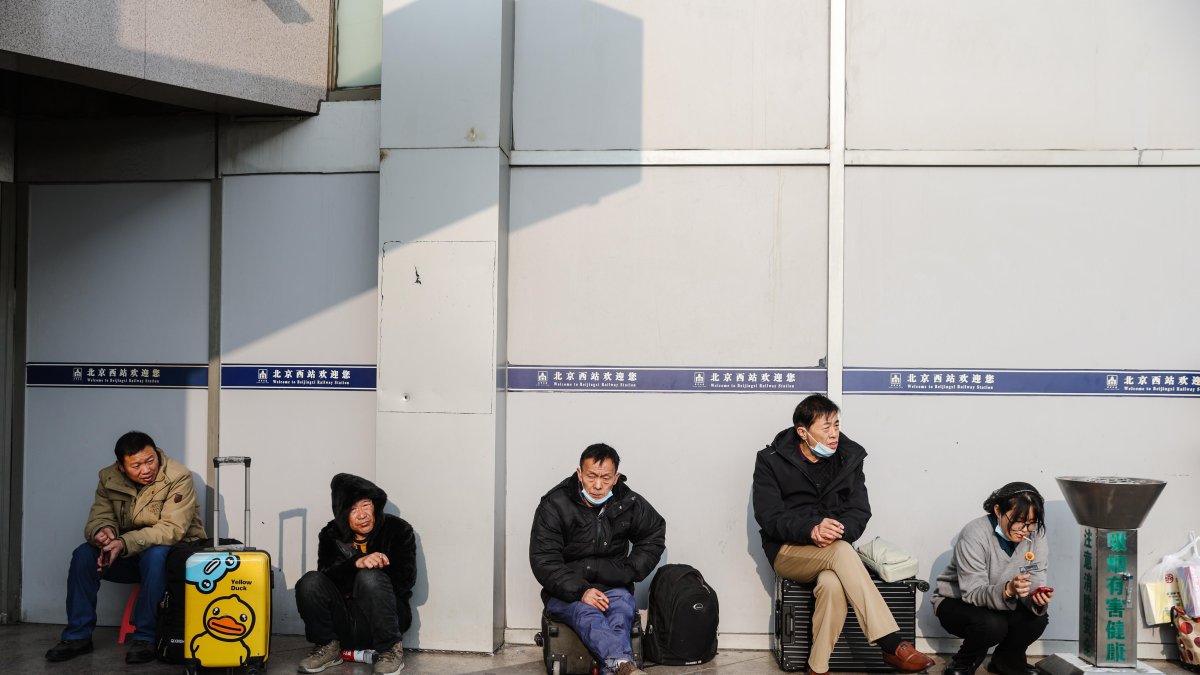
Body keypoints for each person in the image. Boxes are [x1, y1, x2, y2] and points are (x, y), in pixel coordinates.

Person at [753, 394, 935, 675]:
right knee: (841, 552)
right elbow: (768, 515)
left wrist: (840, 530)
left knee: (832, 584)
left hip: (834, 550)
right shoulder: (770, 460)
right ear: (803, 432)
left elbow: (860, 510)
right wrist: (811, 530)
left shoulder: (849, 458)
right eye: (825, 427)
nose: (834, 433)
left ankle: (817, 668)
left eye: (836, 425)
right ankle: (891, 643)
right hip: (788, 551)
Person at [45, 430, 207, 664]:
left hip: (171, 556)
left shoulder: (178, 476)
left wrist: (122, 543)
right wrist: (103, 533)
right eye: (137, 465)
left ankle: (145, 638)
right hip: (127, 551)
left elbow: (172, 529)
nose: (146, 469)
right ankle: (77, 636)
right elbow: (99, 517)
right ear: (122, 467)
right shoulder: (108, 478)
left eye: (150, 460)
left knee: (156, 555)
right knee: (84, 554)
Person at [530, 443, 666, 675]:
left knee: (622, 610)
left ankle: (616, 668)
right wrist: (580, 591)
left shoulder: (629, 502)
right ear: (579, 474)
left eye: (605, 477)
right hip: (564, 592)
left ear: (616, 478)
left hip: (612, 587)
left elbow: (653, 534)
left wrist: (628, 572)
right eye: (591, 476)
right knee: (587, 613)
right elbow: (544, 559)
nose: (598, 485)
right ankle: (624, 667)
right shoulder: (555, 504)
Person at [295, 473, 416, 675]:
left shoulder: (398, 530)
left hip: (385, 621)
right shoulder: (331, 535)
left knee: (369, 577)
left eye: (366, 505)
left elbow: (406, 581)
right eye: (352, 509)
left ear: (375, 505)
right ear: (342, 514)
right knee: (309, 581)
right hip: (343, 624)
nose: (362, 515)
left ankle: (390, 650)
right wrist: (356, 563)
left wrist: (374, 571)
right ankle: (328, 647)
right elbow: (325, 577)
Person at [932, 483, 1052, 675]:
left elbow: (1036, 576)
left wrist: (1036, 596)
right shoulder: (975, 533)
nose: (1025, 529)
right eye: (1018, 520)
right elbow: (972, 591)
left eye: (1032, 522)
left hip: (1005, 601)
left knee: (1036, 619)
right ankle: (963, 663)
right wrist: (1008, 589)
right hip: (958, 601)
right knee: (992, 625)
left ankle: (1007, 662)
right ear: (998, 510)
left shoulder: (1037, 534)